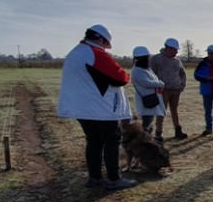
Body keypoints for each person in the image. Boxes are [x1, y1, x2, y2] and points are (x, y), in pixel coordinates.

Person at [57, 24, 137, 190]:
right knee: (111, 141)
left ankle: (95, 178)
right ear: (100, 39)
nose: (105, 48)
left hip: (83, 108)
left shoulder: (75, 53)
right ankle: (114, 178)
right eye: (105, 44)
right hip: (101, 108)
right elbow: (121, 77)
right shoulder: (95, 53)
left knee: (93, 141)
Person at [150, 38, 188, 142]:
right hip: (163, 90)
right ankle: (158, 133)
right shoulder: (156, 59)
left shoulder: (177, 60)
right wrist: (156, 86)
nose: (176, 52)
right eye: (175, 49)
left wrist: (182, 85)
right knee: (161, 111)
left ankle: (178, 130)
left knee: (175, 111)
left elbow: (183, 73)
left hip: (176, 90)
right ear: (168, 48)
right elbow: (151, 74)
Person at [130, 45, 165, 135]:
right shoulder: (137, 71)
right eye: (148, 57)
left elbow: (153, 79)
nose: (149, 59)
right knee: (146, 123)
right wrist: (160, 84)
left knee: (149, 122)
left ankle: (147, 138)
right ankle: (144, 140)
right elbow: (147, 83)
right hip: (146, 100)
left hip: (152, 99)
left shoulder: (146, 69)